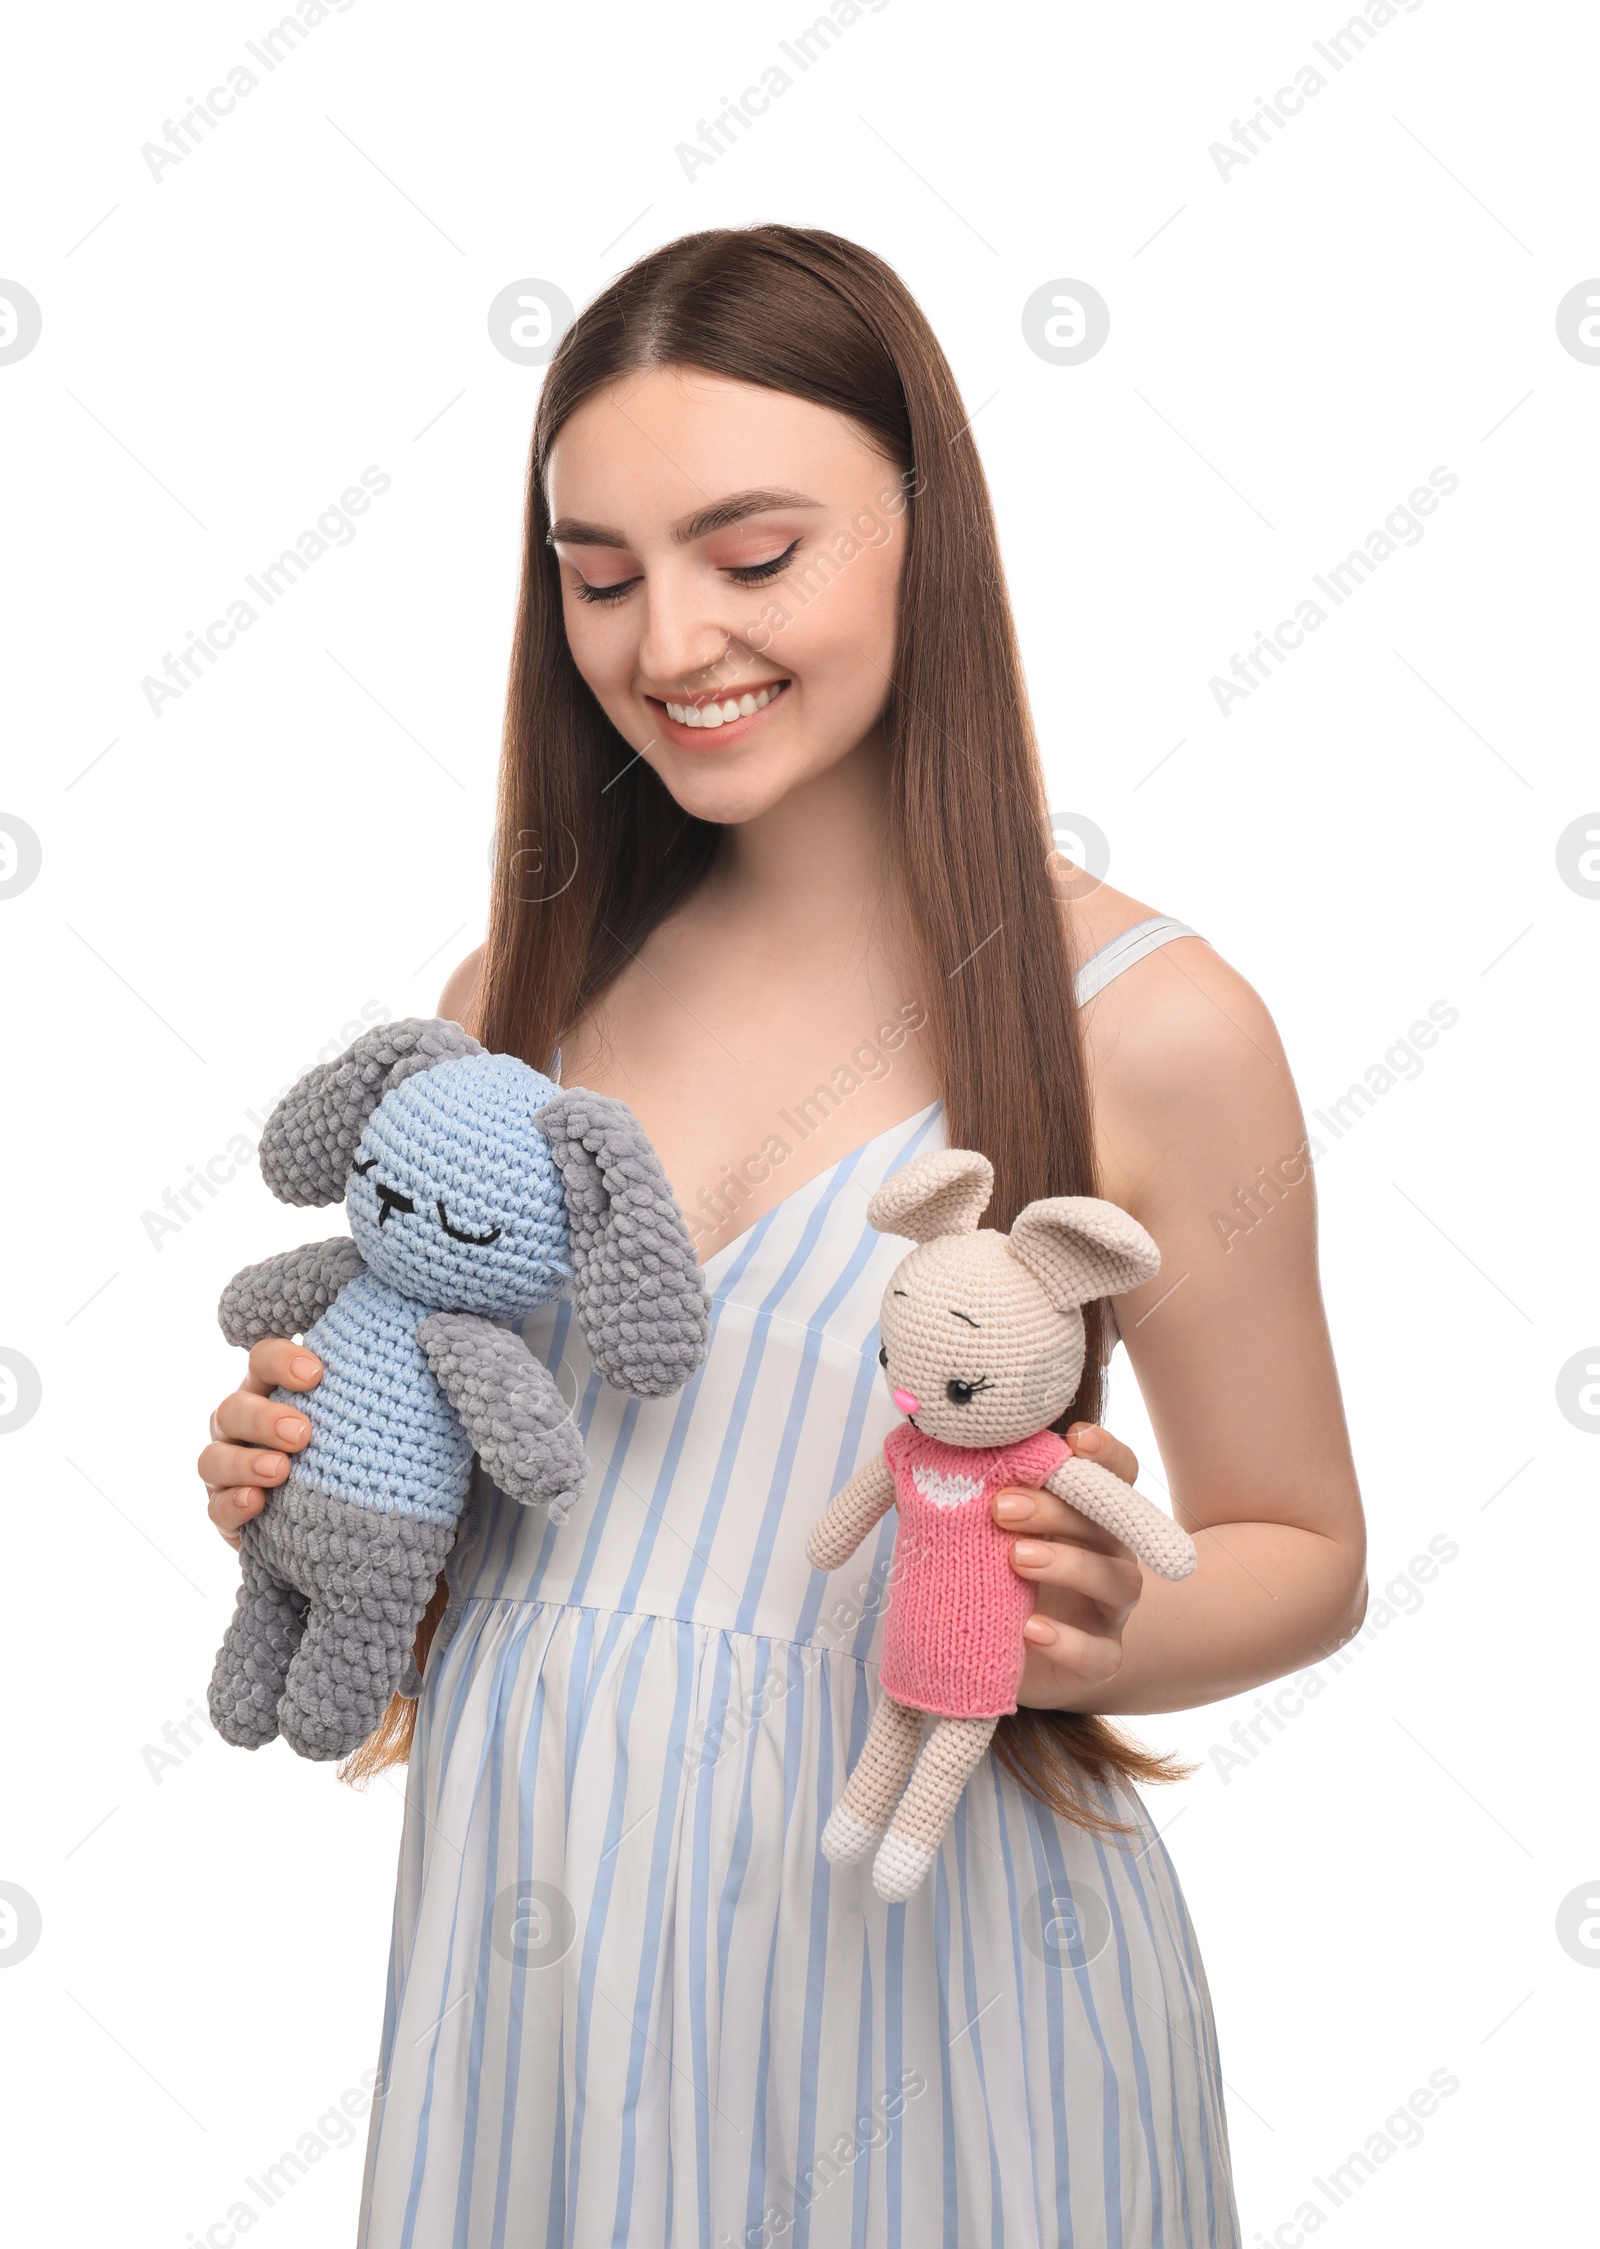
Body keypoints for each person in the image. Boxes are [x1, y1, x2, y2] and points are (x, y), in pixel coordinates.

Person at [198, 227, 1365, 2248]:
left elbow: (1303, 1544)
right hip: (536, 1970)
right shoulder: (516, 1000)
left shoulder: (1151, 1023)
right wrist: (302, 1496)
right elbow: (507, 1529)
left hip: (954, 1993)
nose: (668, 644)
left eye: (752, 556)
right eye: (597, 574)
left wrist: (1092, 1618)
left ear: (927, 535)